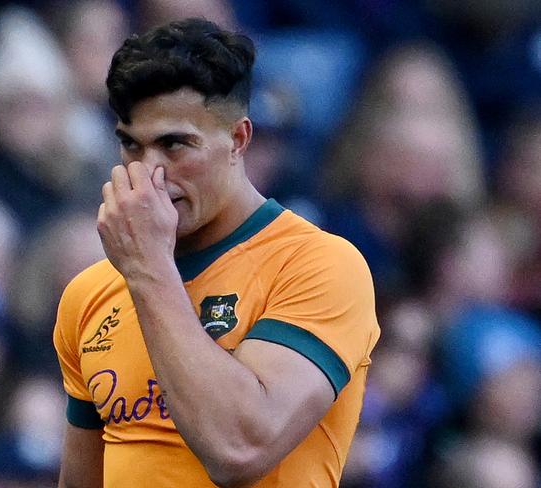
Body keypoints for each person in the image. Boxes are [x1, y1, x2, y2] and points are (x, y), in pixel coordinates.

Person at [53, 18, 380, 487]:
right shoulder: (89, 295)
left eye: (174, 145)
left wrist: (149, 271)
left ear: (239, 139)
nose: (150, 174)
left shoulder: (319, 266)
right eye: (131, 145)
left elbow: (240, 448)